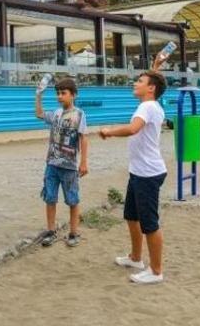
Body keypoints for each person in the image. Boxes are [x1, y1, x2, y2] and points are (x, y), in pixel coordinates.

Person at [99, 67, 168, 285]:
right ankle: (136, 259)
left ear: (151, 88)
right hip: (139, 172)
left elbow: (133, 129)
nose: (135, 83)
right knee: (131, 216)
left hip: (147, 174)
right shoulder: (152, 104)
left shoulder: (147, 106)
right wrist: (156, 67)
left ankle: (156, 271)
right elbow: (154, 78)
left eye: (140, 81)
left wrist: (109, 132)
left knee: (150, 224)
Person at [34, 77, 89, 247]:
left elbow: (83, 138)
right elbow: (39, 114)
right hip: (52, 165)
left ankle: (74, 232)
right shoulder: (56, 113)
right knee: (50, 198)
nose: (59, 96)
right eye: (57, 93)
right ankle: (51, 231)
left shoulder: (79, 114)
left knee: (72, 200)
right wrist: (38, 96)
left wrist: (84, 162)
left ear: (73, 95)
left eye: (63, 93)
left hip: (69, 167)